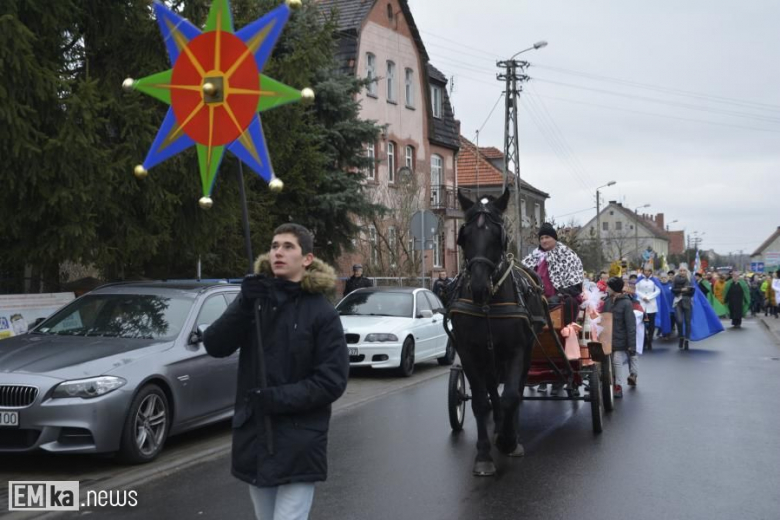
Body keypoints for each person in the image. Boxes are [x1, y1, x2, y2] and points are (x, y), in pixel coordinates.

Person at [204, 223, 349, 520]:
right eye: (274, 246)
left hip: (300, 440)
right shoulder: (255, 302)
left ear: (307, 258)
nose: (278, 252)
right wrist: (244, 302)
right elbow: (215, 344)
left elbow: (331, 381)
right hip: (257, 437)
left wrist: (276, 399)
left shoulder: (322, 312)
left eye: (287, 246)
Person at [522, 223, 584, 393]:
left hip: (562, 297)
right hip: (538, 299)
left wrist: (561, 293)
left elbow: (575, 281)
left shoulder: (568, 255)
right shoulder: (534, 257)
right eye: (541, 238)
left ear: (554, 238)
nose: (544, 240)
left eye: (547, 237)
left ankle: (564, 365)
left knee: (565, 307)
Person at [603, 276, 637, 396]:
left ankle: (618, 387)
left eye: (608, 286)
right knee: (610, 362)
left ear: (614, 288)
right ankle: (611, 383)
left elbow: (631, 325)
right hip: (608, 339)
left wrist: (632, 345)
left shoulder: (626, 303)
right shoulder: (607, 302)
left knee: (617, 360)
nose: (606, 288)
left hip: (621, 339)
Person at [636, 267, 661, 351]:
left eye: (648, 271)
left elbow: (658, 290)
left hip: (651, 304)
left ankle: (650, 340)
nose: (647, 272)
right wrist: (643, 297)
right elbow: (636, 289)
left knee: (651, 325)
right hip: (641, 304)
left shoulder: (654, 280)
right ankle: (644, 340)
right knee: (641, 323)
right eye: (645, 271)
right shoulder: (639, 280)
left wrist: (649, 297)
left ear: (650, 272)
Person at [671, 265, 695, 350]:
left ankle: (687, 340)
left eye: (684, 270)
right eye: (680, 270)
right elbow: (673, 290)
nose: (682, 272)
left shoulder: (690, 279)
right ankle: (681, 337)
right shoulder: (675, 279)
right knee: (679, 321)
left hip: (687, 302)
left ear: (686, 271)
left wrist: (687, 291)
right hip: (678, 302)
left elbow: (692, 292)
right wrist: (682, 290)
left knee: (688, 322)